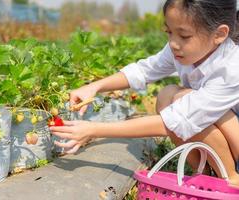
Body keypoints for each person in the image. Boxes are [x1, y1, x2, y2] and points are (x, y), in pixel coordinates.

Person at [50, 0, 239, 186]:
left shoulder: (232, 68)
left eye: (184, 35)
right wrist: (94, 87)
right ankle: (203, 174)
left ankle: (232, 179)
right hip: (226, 136)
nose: (173, 43)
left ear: (220, 34)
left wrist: (93, 129)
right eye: (169, 32)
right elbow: (143, 71)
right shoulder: (183, 49)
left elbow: (176, 121)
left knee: (185, 103)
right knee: (168, 94)